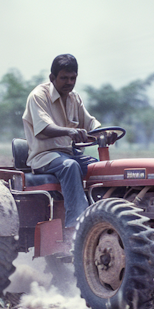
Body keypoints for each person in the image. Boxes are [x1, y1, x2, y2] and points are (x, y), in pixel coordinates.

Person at [22, 53, 109, 236]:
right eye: (64, 78)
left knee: (102, 168)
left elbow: (90, 123)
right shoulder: (38, 96)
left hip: (69, 153)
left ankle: (106, 216)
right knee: (70, 166)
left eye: (73, 78)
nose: (69, 82)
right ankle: (76, 228)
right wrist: (69, 131)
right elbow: (44, 128)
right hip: (44, 155)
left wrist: (104, 133)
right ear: (52, 78)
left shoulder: (74, 98)